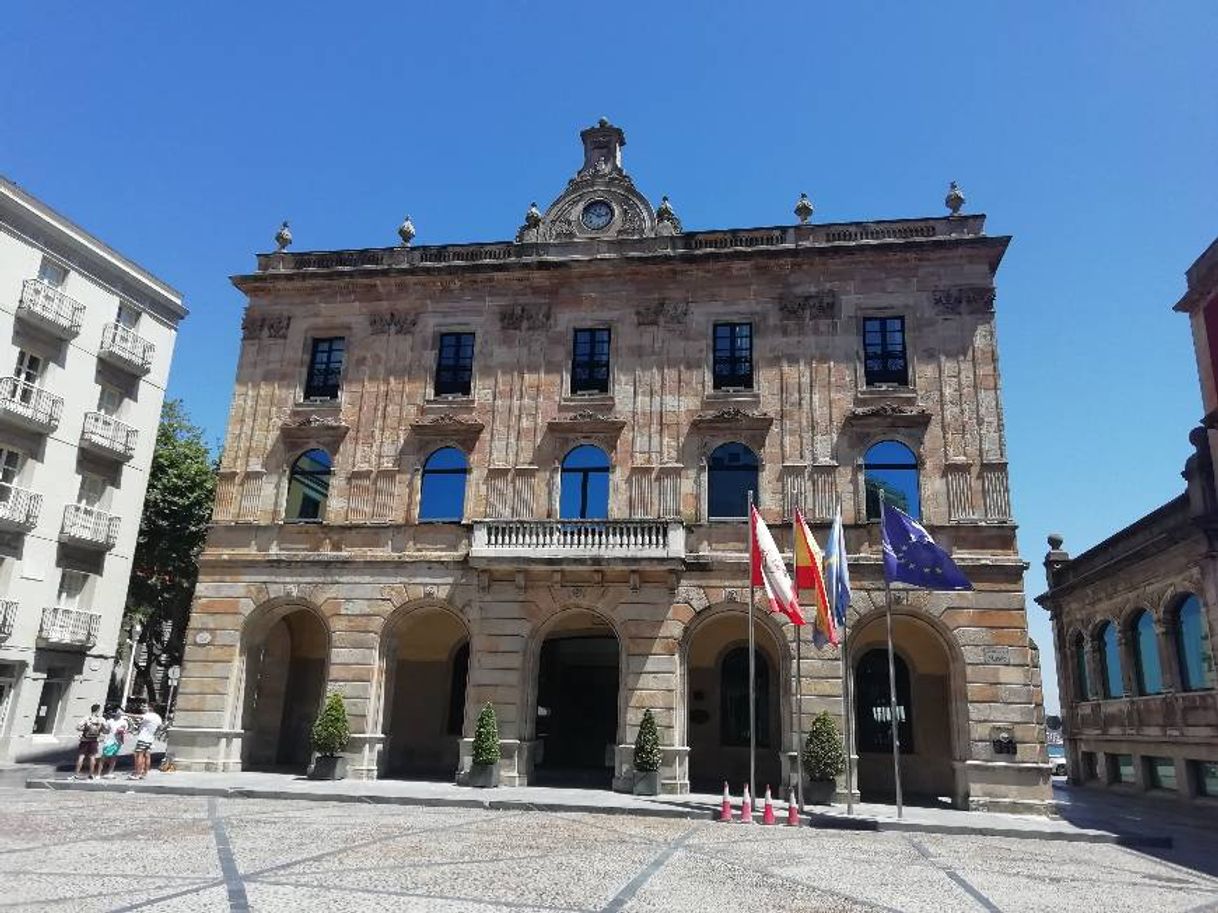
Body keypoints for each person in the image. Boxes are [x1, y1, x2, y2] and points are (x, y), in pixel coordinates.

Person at [129, 702, 163, 780]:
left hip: (143, 738)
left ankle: (137, 774)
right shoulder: (158, 717)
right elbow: (160, 728)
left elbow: (137, 716)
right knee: (147, 756)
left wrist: (124, 714)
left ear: (150, 708)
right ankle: (144, 773)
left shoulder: (149, 715)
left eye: (145, 706)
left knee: (139, 755)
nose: (142, 708)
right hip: (150, 739)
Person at [71, 703, 105, 780]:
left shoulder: (86, 718)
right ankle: (91, 774)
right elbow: (106, 729)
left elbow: (77, 727)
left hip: (85, 740)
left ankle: (76, 774)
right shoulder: (100, 719)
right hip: (94, 740)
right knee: (92, 757)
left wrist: (84, 729)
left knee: (81, 756)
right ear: (98, 710)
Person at [98, 707, 129, 779]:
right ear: (115, 712)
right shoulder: (110, 721)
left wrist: (122, 730)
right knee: (104, 757)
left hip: (118, 741)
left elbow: (124, 730)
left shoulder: (124, 722)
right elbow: (106, 731)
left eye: (121, 711)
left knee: (114, 758)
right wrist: (102, 728)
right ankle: (98, 774)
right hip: (109, 740)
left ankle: (110, 773)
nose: (119, 713)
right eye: (118, 711)